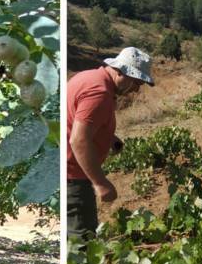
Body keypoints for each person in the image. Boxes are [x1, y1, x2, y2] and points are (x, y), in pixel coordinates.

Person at [65, 46, 154, 240]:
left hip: (69, 170)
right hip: (74, 176)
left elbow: (74, 120)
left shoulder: (88, 77)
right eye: (137, 82)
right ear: (123, 73)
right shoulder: (99, 93)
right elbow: (79, 139)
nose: (137, 89)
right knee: (82, 240)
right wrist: (100, 183)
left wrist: (108, 138)